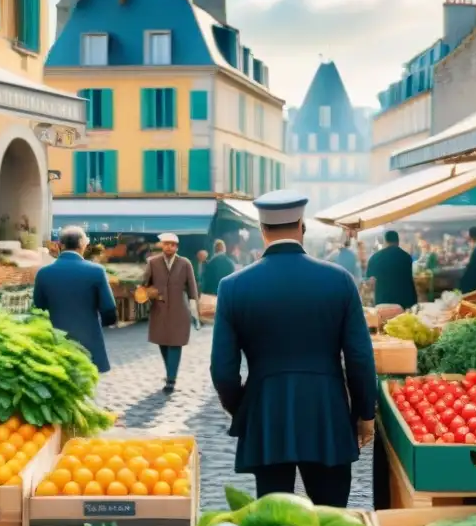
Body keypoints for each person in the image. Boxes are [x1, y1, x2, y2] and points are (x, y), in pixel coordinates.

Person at [210, 191, 377, 507]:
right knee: (333, 521)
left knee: (276, 523)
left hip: (267, 412)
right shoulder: (339, 280)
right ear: (302, 225)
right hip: (327, 410)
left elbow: (222, 370)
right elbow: (359, 357)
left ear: (262, 230)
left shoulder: (232, 287)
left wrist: (243, 409)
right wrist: (365, 412)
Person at [33, 226, 117, 373]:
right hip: (88, 341)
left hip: (56, 341)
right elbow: (109, 309)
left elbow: (38, 308)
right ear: (83, 245)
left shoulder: (44, 273)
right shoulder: (96, 271)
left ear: (60, 245)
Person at [143, 233, 200, 393]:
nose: (169, 247)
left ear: (177, 247)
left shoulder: (185, 263)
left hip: (179, 310)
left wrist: (195, 313)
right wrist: (148, 292)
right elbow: (144, 284)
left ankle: (171, 379)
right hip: (159, 309)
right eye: (166, 244)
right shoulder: (152, 262)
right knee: (162, 342)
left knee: (175, 343)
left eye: (173, 244)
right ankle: (170, 372)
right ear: (162, 245)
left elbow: (192, 288)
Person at [365, 230, 418, 308]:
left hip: (383, 301)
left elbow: (369, 280)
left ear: (385, 241)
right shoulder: (406, 257)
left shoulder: (375, 258)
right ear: (398, 242)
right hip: (405, 301)